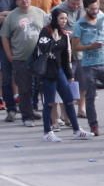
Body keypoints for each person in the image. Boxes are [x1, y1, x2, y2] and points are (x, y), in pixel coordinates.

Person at [36, 10, 92, 141]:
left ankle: (77, 129)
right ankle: (47, 132)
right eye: (61, 18)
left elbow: (66, 56)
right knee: (49, 103)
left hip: (59, 70)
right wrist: (54, 41)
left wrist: (70, 74)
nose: (64, 21)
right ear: (55, 19)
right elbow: (43, 49)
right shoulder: (46, 31)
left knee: (68, 100)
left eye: (65, 19)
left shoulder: (64, 35)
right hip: (47, 72)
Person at [1, 0, 48, 126]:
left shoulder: (39, 13)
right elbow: (4, 36)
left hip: (39, 57)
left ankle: (42, 113)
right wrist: (9, 54)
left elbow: (49, 29)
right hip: (20, 57)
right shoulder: (12, 17)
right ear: (16, 2)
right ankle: (27, 117)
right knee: (24, 88)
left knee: (39, 87)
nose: (24, 0)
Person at [72, 0, 104, 136]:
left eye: (97, 8)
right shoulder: (79, 24)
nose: (96, 11)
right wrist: (91, 46)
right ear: (86, 9)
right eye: (92, 9)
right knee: (90, 96)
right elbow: (75, 47)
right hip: (88, 65)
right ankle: (94, 125)